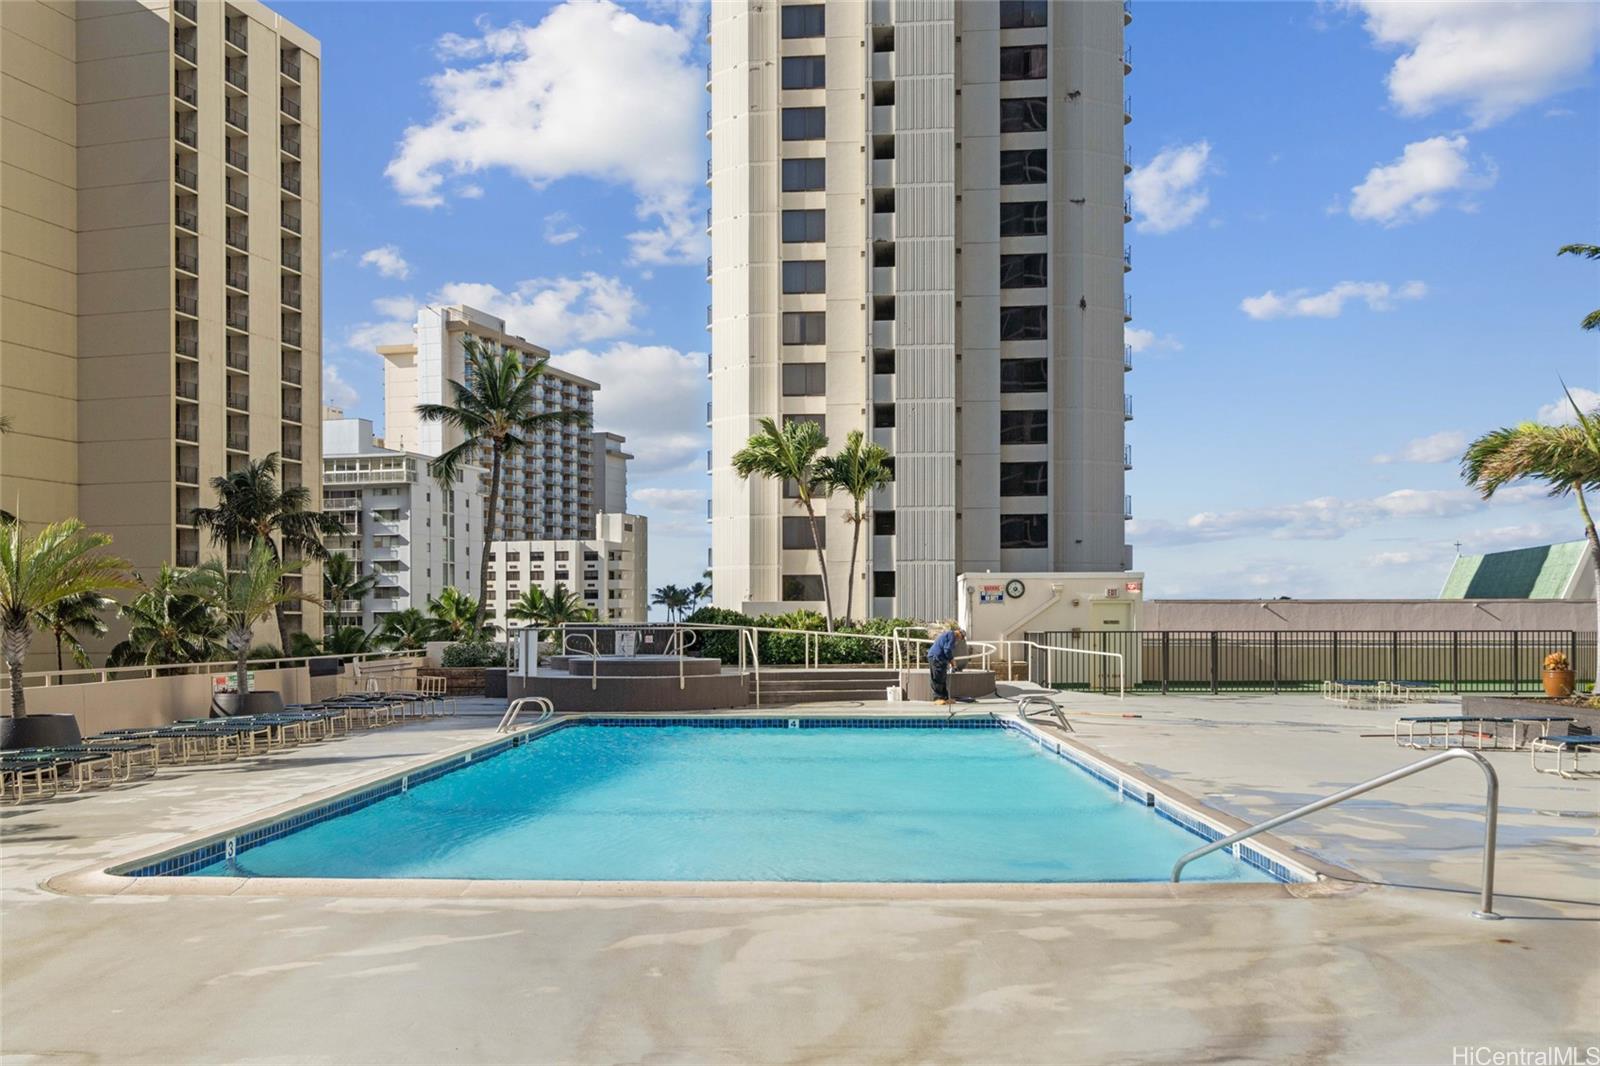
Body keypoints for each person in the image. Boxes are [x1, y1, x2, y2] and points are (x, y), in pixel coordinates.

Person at [927, 624, 964, 705]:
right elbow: (947, 650)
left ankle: (945, 698)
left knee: (942, 678)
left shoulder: (949, 634)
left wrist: (948, 661)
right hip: (936, 658)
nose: (959, 640)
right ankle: (937, 698)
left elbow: (946, 649)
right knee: (937, 678)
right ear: (959, 633)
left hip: (940, 658)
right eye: (961, 638)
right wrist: (952, 661)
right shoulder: (952, 635)